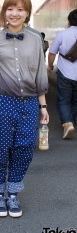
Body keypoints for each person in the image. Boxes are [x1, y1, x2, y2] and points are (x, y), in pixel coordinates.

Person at [0, 0, 49, 218]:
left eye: (20, 10)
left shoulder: (35, 40)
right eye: (10, 9)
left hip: (30, 104)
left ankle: (13, 192)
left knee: (25, 148)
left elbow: (40, 75)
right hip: (2, 102)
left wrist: (43, 107)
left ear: (27, 14)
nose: (15, 14)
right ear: (4, 12)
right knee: (1, 150)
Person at [48, 9, 77, 139]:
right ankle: (71, 122)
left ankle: (67, 123)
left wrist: (49, 66)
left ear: (69, 20)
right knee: (75, 101)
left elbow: (52, 52)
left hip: (65, 73)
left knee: (64, 100)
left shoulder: (62, 34)